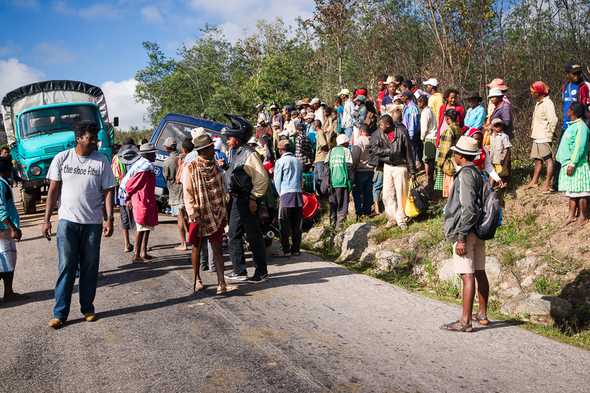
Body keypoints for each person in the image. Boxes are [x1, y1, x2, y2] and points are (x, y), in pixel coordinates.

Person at [43, 121, 115, 329]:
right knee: (66, 266)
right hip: (67, 223)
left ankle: (87, 308)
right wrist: (47, 219)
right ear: (79, 138)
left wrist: (109, 218)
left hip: (93, 223)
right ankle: (60, 313)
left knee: (90, 267)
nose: (95, 142)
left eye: (95, 138)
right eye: (91, 138)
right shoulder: (62, 158)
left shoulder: (101, 161)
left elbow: (108, 191)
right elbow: (53, 191)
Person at [442, 135, 488, 333]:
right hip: (477, 230)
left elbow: (468, 208)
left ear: (461, 155)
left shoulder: (465, 176)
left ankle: (465, 321)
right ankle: (482, 315)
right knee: (479, 271)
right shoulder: (478, 173)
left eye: (455, 152)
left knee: (467, 275)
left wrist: (461, 236)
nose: (453, 154)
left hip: (466, 231)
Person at [223, 115, 269, 283]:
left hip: (247, 200)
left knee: (253, 236)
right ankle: (239, 271)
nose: (227, 140)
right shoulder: (237, 153)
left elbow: (262, 178)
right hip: (236, 200)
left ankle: (261, 272)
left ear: (238, 137)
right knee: (233, 234)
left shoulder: (249, 154)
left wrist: (253, 198)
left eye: (230, 137)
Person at [183, 132, 229, 294]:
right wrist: (192, 212)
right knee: (197, 247)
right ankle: (197, 280)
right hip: (198, 212)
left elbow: (221, 187)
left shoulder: (215, 166)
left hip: (215, 211)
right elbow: (187, 191)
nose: (213, 150)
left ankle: (221, 282)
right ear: (203, 150)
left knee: (217, 248)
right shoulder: (191, 168)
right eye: (210, 148)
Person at [369, 113, 416, 229]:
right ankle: (392, 218)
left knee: (401, 194)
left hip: (401, 166)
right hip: (387, 166)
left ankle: (402, 219)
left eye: (382, 125)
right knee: (387, 194)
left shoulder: (401, 133)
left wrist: (412, 171)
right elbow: (374, 149)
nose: (380, 127)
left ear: (388, 125)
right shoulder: (378, 134)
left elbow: (409, 153)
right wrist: (389, 151)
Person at [122, 143, 158, 263]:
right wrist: (128, 198)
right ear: (147, 154)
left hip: (147, 199)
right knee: (141, 227)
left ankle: (143, 252)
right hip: (141, 200)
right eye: (153, 153)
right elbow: (130, 185)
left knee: (147, 226)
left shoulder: (144, 165)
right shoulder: (144, 168)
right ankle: (136, 254)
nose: (155, 155)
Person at [556, 102, 590, 226]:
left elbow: (579, 147)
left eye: (569, 109)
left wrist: (573, 163)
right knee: (572, 193)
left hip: (577, 166)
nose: (566, 111)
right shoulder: (572, 126)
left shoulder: (581, 127)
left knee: (581, 193)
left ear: (573, 111)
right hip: (568, 164)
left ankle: (583, 216)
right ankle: (571, 216)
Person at [274, 140, 304, 256]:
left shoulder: (280, 162)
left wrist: (280, 194)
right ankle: (296, 249)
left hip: (286, 194)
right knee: (297, 223)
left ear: (281, 150)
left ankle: (286, 249)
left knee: (284, 222)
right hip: (298, 193)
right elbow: (301, 178)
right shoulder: (298, 161)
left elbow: (277, 180)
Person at [527, 81, 558, 192]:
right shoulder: (538, 103)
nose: (531, 93)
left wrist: (549, 134)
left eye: (533, 91)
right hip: (537, 136)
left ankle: (547, 183)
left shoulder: (547, 103)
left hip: (544, 136)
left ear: (538, 92)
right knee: (537, 160)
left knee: (548, 160)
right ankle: (534, 181)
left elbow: (553, 120)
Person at [0, 157, 22, 302]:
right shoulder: (0, 184)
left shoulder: (4, 183)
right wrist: (12, 227)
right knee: (4, 262)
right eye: (9, 166)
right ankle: (8, 293)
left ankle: (9, 292)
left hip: (5, 228)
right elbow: (0, 208)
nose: (11, 169)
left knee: (8, 260)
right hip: (3, 229)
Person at [162, 137, 188, 251]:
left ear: (167, 147)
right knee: (186, 216)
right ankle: (190, 239)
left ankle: (183, 243)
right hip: (185, 190)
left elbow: (166, 177)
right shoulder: (183, 157)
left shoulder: (167, 161)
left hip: (175, 191)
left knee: (180, 218)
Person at [113, 138, 136, 253]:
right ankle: (139, 245)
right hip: (133, 193)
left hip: (121, 193)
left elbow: (114, 177)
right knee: (136, 220)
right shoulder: (135, 158)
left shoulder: (116, 158)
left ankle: (127, 244)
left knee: (124, 219)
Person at [326, 134, 353, 228]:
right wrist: (351, 182)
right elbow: (349, 167)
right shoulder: (346, 151)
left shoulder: (331, 151)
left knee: (333, 204)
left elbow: (326, 166)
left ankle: (332, 225)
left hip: (332, 183)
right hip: (343, 182)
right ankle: (339, 226)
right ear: (345, 143)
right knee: (342, 205)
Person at [435, 109, 462, 198]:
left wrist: (439, 163)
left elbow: (444, 149)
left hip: (450, 161)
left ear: (447, 119)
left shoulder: (449, 130)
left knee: (450, 189)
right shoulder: (458, 128)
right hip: (458, 160)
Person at [351, 124, 374, 219]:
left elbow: (355, 156)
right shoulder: (373, 140)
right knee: (368, 192)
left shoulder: (359, 141)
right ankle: (367, 211)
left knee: (357, 192)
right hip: (370, 169)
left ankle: (359, 213)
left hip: (360, 170)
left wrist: (353, 168)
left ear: (361, 131)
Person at [418, 94, 437, 193]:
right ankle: (430, 179)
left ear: (422, 102)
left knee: (427, 160)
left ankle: (429, 179)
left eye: (419, 102)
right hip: (433, 137)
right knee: (431, 160)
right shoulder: (430, 111)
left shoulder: (425, 112)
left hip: (429, 138)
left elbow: (424, 128)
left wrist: (422, 138)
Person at [489, 119, 512, 187]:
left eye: (499, 125)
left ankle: (493, 187)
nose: (498, 127)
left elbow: (507, 149)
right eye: (496, 125)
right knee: (494, 174)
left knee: (500, 174)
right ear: (492, 127)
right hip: (493, 159)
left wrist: (504, 160)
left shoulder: (504, 136)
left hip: (500, 160)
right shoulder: (491, 136)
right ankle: (493, 187)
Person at [401, 91, 422, 167]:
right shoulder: (407, 107)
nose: (401, 98)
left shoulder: (412, 108)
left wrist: (410, 135)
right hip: (408, 133)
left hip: (412, 134)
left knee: (412, 151)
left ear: (406, 97)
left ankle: (413, 168)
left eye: (402, 96)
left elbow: (412, 123)